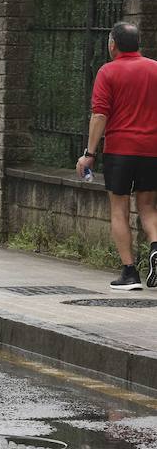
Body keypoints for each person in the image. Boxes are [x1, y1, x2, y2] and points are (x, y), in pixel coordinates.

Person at [77, 22, 157, 291]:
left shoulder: (108, 71)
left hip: (120, 151)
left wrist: (89, 154)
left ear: (113, 45)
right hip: (152, 151)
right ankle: (156, 248)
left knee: (119, 209)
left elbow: (100, 114)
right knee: (148, 208)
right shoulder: (155, 69)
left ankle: (129, 273)